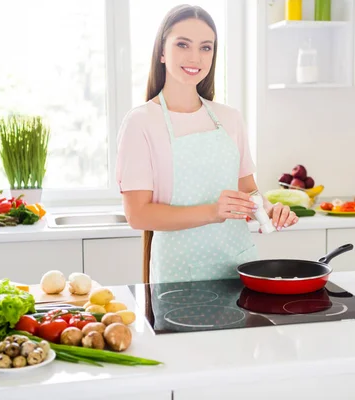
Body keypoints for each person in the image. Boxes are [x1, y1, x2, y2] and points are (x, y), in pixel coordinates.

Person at [116, 4, 298, 284]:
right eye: (182, 45)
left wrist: (269, 209)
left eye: (206, 47)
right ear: (162, 52)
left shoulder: (230, 118)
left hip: (239, 266)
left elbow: (248, 190)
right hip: (180, 275)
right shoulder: (141, 122)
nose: (195, 57)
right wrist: (213, 211)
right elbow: (138, 215)